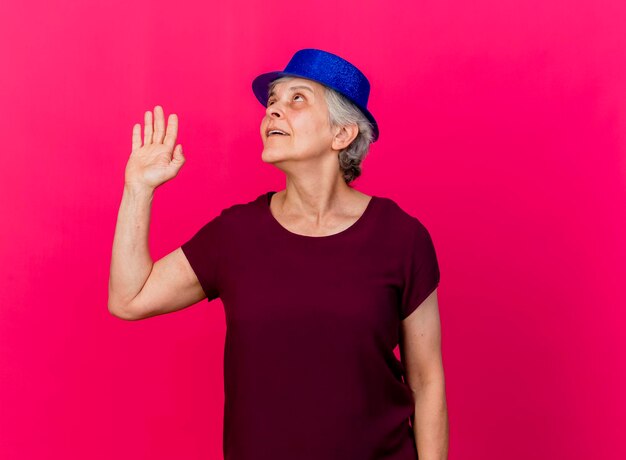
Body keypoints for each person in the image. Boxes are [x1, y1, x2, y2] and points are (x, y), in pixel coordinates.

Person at [108, 48, 448, 460]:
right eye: (272, 102)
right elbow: (130, 298)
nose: (273, 112)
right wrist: (138, 189)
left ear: (341, 135)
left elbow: (426, 380)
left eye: (296, 99)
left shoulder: (401, 237)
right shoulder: (236, 234)